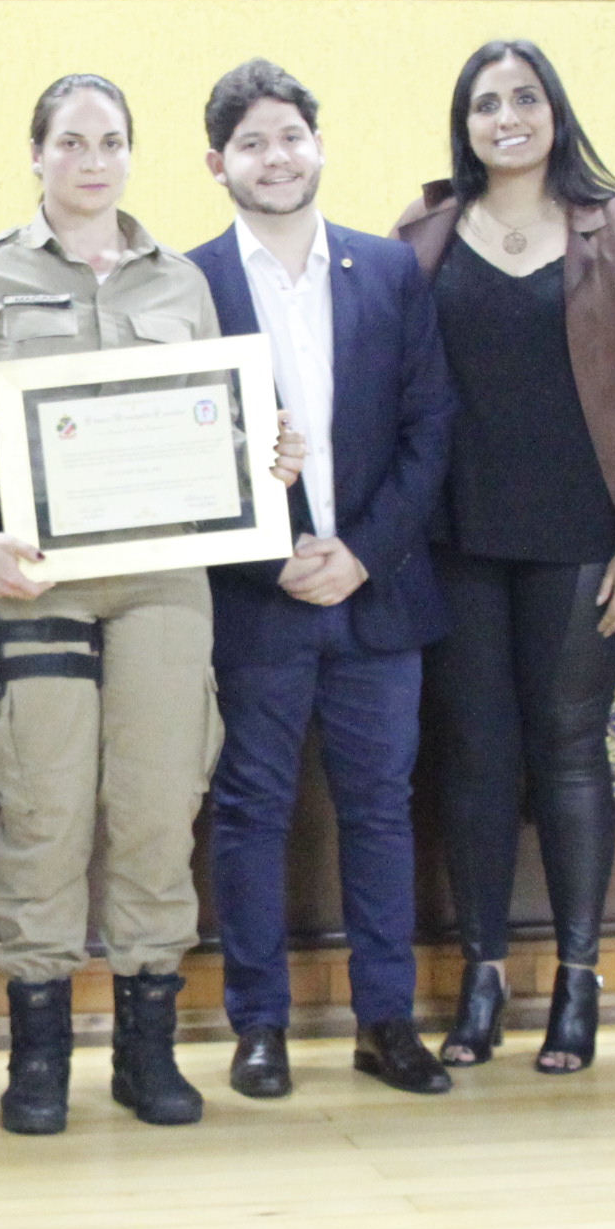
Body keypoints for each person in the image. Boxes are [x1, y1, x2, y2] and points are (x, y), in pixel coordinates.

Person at [0, 74, 232, 1134]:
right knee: (43, 811)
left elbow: (216, 423)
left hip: (163, 582)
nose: (93, 160)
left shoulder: (180, 281)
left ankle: (148, 1051)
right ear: (36, 154)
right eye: (72, 142)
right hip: (35, 577)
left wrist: (262, 454)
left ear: (133, 156)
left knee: (154, 808)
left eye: (113, 142)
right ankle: (38, 1054)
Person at [393, 40, 615, 1076]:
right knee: (474, 760)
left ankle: (578, 981)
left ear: (554, 110)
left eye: (524, 98)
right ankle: (481, 977)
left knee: (567, 755)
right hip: (457, 540)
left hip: (582, 541)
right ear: (462, 124)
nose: (505, 117)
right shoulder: (423, 235)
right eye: (485, 103)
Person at [187, 60, 456, 1101]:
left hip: (378, 593)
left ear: (320, 145)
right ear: (218, 163)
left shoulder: (387, 272)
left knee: (380, 810)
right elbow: (181, 444)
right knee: (251, 812)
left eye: (291, 135)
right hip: (254, 600)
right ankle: (258, 1026)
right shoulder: (190, 281)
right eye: (251, 142)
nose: (275, 156)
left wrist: (361, 553)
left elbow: (432, 429)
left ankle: (384, 1020)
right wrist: (275, 558)